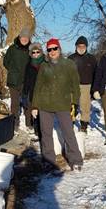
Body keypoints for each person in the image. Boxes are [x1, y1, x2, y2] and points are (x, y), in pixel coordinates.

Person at [31, 38, 83, 172]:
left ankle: (76, 160)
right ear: (47, 52)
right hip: (45, 104)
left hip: (63, 104)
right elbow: (38, 87)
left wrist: (75, 103)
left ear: (59, 49)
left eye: (55, 48)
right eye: (49, 49)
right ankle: (49, 161)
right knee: (46, 133)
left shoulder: (69, 64)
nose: (52, 51)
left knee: (68, 132)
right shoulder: (44, 66)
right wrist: (35, 105)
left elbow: (75, 86)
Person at [3, 28, 32, 132]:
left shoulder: (31, 49)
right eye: (23, 37)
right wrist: (13, 70)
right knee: (15, 103)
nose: (24, 39)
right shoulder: (12, 48)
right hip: (14, 80)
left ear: (29, 39)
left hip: (27, 80)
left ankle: (29, 123)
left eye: (26, 38)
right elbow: (6, 62)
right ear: (19, 38)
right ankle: (15, 123)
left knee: (28, 102)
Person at [68, 36, 97, 133]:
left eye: (83, 46)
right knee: (72, 105)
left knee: (85, 106)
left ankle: (84, 125)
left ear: (86, 47)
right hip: (72, 86)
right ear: (76, 46)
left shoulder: (92, 59)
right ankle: (70, 123)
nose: (81, 48)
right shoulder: (71, 58)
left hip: (86, 86)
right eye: (79, 46)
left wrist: (94, 89)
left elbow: (96, 74)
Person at [22, 42, 45, 141]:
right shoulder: (28, 65)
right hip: (32, 92)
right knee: (35, 113)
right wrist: (25, 92)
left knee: (43, 114)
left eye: (37, 52)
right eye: (33, 52)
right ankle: (37, 132)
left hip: (44, 92)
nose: (35, 54)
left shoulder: (45, 63)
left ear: (41, 52)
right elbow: (26, 80)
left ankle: (44, 132)